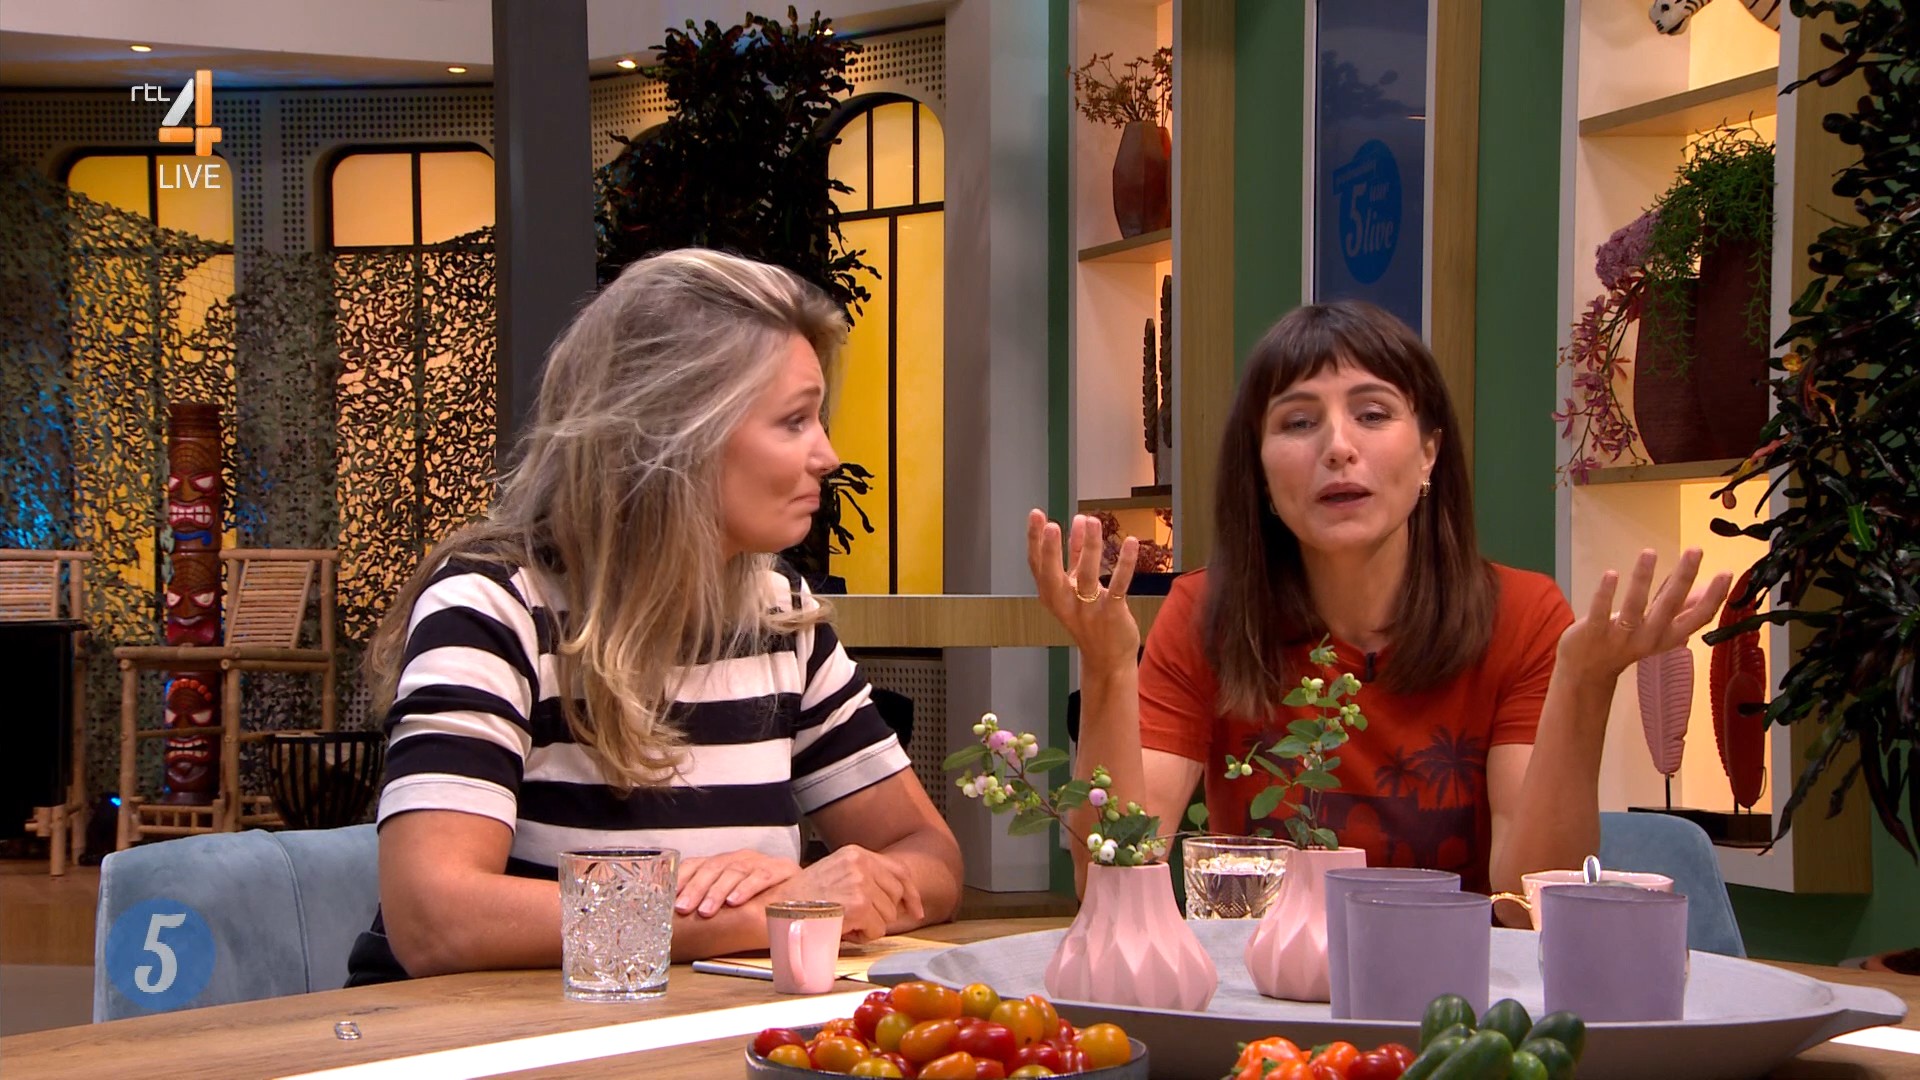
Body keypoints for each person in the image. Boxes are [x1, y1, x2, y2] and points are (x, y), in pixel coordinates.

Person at [346, 249, 963, 984]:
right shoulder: (492, 605)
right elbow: (434, 917)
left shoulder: (778, 612)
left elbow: (930, 857)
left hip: (689, 1027)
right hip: (477, 1035)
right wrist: (758, 913)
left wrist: (854, 885)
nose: (827, 455)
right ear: (676, 432)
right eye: (795, 421)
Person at [1027, 300, 1731, 916]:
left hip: (1457, 1004)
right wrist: (1108, 668)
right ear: (1261, 474)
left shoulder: (1522, 615)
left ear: (1428, 453)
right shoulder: (1208, 612)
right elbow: (1108, 880)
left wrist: (1586, 684)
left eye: (1372, 414)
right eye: (1298, 422)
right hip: (1267, 1000)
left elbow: (1527, 908)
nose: (1338, 447)